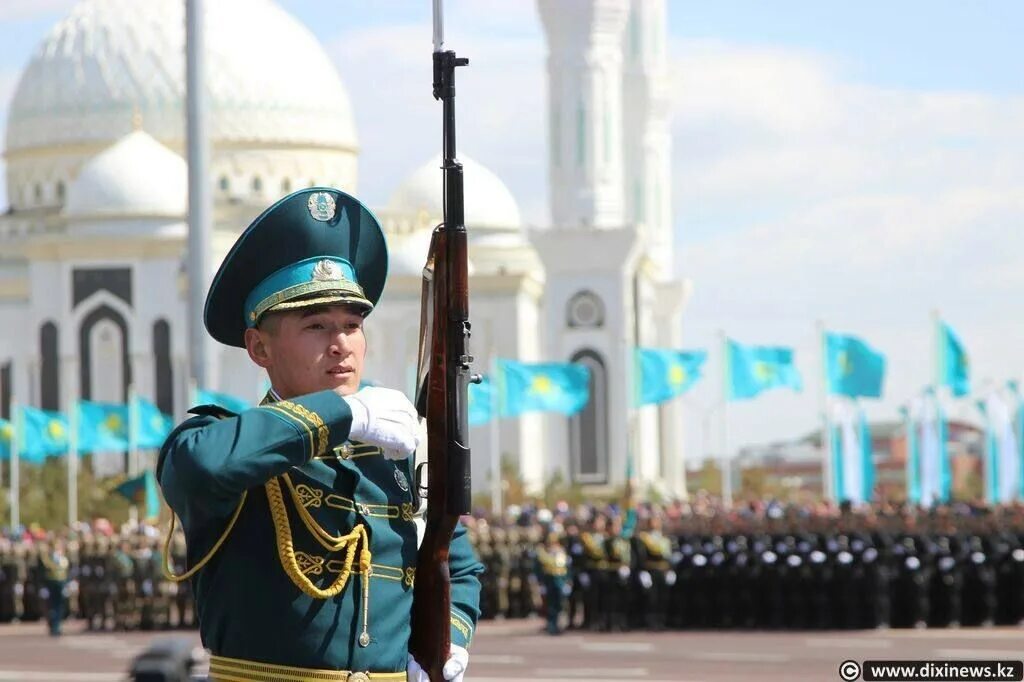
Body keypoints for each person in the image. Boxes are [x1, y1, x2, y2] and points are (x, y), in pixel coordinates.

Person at [158, 188, 482, 682]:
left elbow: (459, 566)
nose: (341, 344)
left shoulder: (396, 453)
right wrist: (342, 415)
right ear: (259, 348)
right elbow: (200, 463)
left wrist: (449, 639)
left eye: (352, 324)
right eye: (316, 326)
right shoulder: (225, 441)